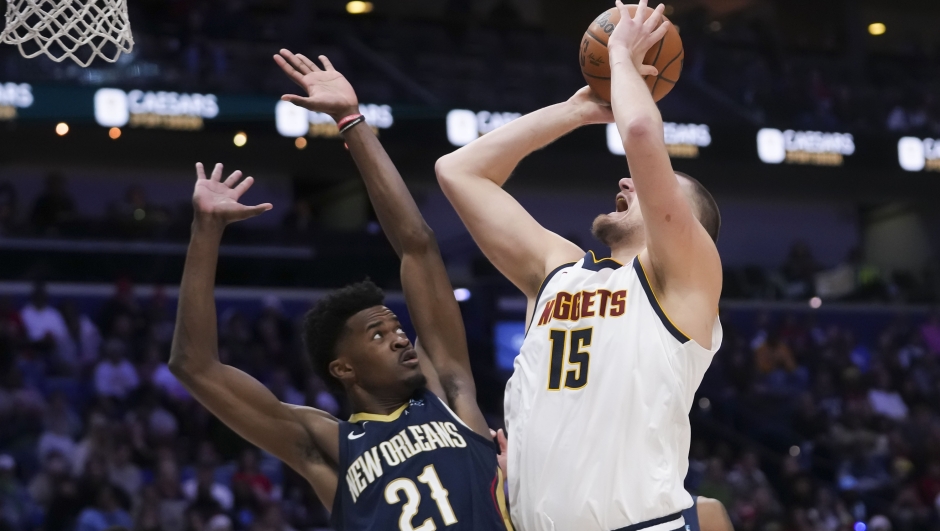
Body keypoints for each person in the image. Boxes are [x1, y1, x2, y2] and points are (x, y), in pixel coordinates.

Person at [169, 50, 511, 530]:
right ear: (343, 368)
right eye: (377, 334)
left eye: (395, 327)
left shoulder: (448, 392)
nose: (398, 337)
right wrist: (205, 233)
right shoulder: (326, 444)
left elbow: (418, 248)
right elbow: (195, 367)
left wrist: (351, 121)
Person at [434, 1, 722, 529]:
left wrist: (620, 55)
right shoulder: (558, 269)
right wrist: (576, 111)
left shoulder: (686, 281)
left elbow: (639, 135)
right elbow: (458, 172)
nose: (627, 181)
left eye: (654, 185)